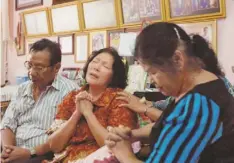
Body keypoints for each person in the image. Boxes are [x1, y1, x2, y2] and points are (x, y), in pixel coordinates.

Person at [105, 22, 234, 163]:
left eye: (153, 72)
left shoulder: (198, 104)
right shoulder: (202, 84)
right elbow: (170, 126)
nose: (152, 80)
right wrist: (132, 135)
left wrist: (124, 154)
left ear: (178, 59)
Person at [46, 47, 138, 163]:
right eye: (94, 61)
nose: (96, 67)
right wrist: (77, 114)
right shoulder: (72, 96)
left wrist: (88, 114)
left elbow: (116, 147)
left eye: (105, 66)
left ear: (114, 76)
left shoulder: (119, 100)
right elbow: (54, 146)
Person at [117, 34, 234, 122]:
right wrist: (148, 104)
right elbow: (167, 105)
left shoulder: (209, 90)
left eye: (153, 72)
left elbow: (180, 122)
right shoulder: (187, 87)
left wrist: (145, 109)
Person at [0, 39, 78, 163]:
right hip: (13, 151)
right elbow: (7, 123)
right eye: (30, 65)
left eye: (39, 68)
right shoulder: (23, 88)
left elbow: (64, 137)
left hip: (42, 155)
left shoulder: (70, 92)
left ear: (56, 68)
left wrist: (29, 153)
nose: (32, 72)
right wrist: (7, 151)